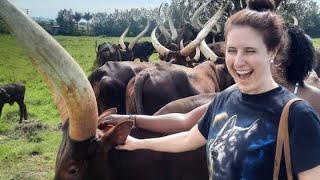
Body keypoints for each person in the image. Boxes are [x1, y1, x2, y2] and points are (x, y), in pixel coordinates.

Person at [100, 0, 320, 179]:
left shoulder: (298, 115)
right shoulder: (226, 99)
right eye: (232, 50)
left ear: (272, 52)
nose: (238, 61)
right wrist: (138, 143)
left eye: (250, 51)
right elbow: (188, 138)